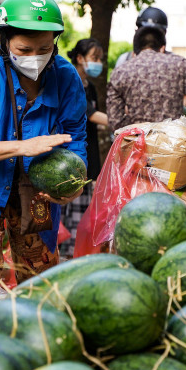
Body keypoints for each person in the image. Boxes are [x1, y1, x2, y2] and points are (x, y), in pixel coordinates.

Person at [0, 0, 87, 309]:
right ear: (3, 41)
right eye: (24, 49)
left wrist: (72, 184)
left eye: (45, 48)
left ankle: (37, 340)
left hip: (37, 191)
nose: (35, 57)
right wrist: (24, 147)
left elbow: (75, 135)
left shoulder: (66, 78)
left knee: (38, 275)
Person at [62, 38, 108, 257]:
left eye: (100, 59)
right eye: (94, 58)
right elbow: (90, 115)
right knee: (68, 207)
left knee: (82, 208)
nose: (98, 63)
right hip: (69, 154)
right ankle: (65, 253)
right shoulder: (70, 81)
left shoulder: (90, 86)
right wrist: (121, 122)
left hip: (86, 152)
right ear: (79, 59)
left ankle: (75, 252)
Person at [107, 25, 186, 133]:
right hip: (174, 142)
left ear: (135, 51)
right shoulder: (180, 64)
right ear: (162, 47)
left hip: (138, 144)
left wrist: (136, 125)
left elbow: (114, 121)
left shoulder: (120, 72)